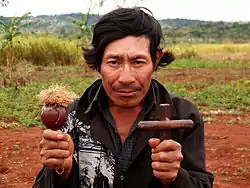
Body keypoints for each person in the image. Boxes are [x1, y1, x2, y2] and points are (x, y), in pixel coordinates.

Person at [33, 7, 214, 188]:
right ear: (98, 62)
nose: (126, 78)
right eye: (113, 62)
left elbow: (201, 183)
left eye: (138, 62)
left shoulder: (183, 116)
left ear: (156, 59)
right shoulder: (72, 116)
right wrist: (62, 171)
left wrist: (174, 177)